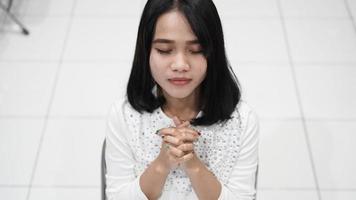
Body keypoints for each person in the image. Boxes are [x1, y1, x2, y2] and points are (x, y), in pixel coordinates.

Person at [104, 0, 259, 199]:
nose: (180, 65)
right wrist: (161, 165)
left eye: (195, 50)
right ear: (146, 51)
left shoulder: (242, 121)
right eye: (164, 50)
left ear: (214, 52)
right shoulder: (124, 116)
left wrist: (193, 165)